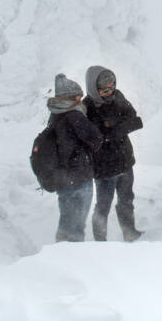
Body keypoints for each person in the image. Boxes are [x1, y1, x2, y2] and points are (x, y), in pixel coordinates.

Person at [83, 65, 144, 242]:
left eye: (112, 87)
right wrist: (116, 128)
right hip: (104, 168)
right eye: (104, 90)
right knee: (103, 206)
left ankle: (129, 232)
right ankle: (100, 242)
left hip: (125, 161)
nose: (110, 92)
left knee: (126, 199)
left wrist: (112, 128)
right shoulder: (87, 108)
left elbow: (134, 118)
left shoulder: (118, 97)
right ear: (93, 88)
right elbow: (96, 137)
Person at [47, 73, 103, 242]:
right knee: (77, 225)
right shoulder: (74, 115)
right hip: (79, 177)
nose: (80, 100)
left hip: (63, 178)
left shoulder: (55, 114)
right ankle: (72, 258)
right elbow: (96, 138)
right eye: (78, 96)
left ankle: (61, 248)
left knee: (66, 220)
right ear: (71, 97)